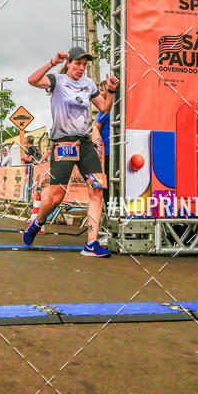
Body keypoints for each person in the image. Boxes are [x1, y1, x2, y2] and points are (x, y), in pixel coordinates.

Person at [25, 46, 119, 257]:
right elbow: (31, 80)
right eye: (77, 63)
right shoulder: (57, 81)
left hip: (85, 143)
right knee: (56, 197)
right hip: (63, 143)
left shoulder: (88, 84)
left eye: (85, 65)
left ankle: (91, 244)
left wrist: (111, 90)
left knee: (97, 190)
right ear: (69, 63)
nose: (81, 68)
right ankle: (37, 222)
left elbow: (104, 107)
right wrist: (53, 62)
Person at [93, 80, 113, 192]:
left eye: (101, 90)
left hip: (105, 151)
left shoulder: (104, 110)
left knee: (104, 178)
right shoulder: (117, 108)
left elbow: (96, 128)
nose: (99, 93)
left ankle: (106, 202)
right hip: (111, 150)